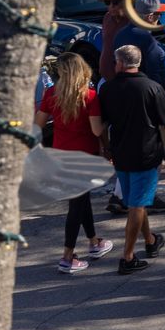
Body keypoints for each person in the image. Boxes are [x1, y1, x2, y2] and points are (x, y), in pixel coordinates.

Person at [97, 43, 165, 275]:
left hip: (121, 153)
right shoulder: (152, 87)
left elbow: (101, 125)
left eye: (115, 62)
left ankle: (150, 240)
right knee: (137, 205)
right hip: (146, 154)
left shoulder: (107, 90)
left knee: (137, 201)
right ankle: (128, 256)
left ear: (121, 63)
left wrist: (106, 147)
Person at [35, 52, 112, 274]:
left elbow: (38, 124)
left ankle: (94, 241)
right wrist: (107, 128)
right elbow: (97, 130)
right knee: (76, 206)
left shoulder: (52, 93)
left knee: (81, 199)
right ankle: (68, 256)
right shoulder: (89, 96)